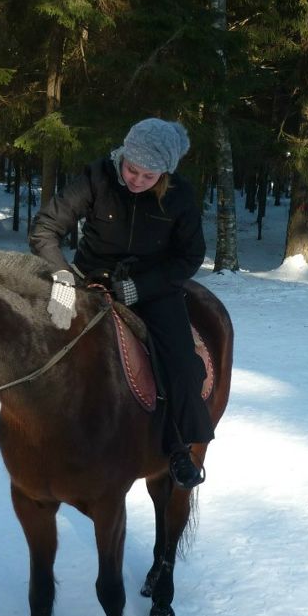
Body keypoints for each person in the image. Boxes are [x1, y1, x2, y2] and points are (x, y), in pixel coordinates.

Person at [28, 117, 211, 489]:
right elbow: (45, 228)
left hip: (153, 288)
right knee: (40, 339)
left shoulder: (180, 194)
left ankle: (179, 447)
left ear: (164, 174)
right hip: (88, 280)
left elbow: (190, 256)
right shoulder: (97, 176)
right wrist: (62, 276)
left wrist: (140, 288)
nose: (137, 180)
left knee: (181, 363)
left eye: (148, 176)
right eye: (132, 169)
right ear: (123, 155)